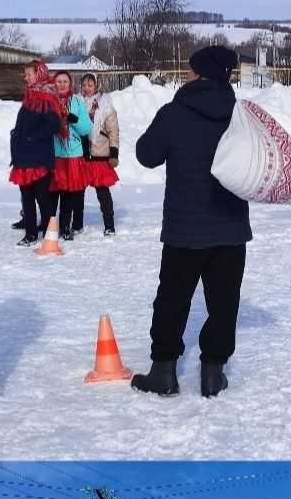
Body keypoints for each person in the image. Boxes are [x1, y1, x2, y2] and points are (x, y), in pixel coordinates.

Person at [132, 46, 250, 398]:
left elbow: (146, 154)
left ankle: (163, 373)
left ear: (199, 74)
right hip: (230, 228)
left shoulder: (174, 112)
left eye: (189, 69)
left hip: (185, 229)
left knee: (172, 299)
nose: (186, 74)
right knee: (224, 301)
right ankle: (213, 374)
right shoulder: (240, 113)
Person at [9, 60, 63, 246]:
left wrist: (32, 137)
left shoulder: (46, 98)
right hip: (25, 156)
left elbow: (54, 125)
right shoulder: (31, 96)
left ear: (38, 74)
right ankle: (30, 234)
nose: (26, 78)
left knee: (42, 197)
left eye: (28, 74)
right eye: (26, 75)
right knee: (27, 196)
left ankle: (50, 233)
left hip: (38, 157)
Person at [50, 70, 94, 241]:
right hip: (54, 154)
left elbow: (87, 128)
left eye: (65, 81)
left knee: (68, 194)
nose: (61, 84)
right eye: (58, 81)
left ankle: (65, 226)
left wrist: (73, 119)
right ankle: (51, 226)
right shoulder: (49, 102)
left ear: (70, 84)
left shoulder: (76, 102)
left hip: (72, 155)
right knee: (52, 194)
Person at [80, 72, 120, 235]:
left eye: (90, 85)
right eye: (83, 85)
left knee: (102, 192)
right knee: (77, 192)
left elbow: (113, 131)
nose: (86, 88)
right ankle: (77, 224)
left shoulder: (106, 106)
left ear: (96, 86)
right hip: (82, 154)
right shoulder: (78, 103)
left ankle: (109, 224)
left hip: (100, 154)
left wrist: (114, 153)